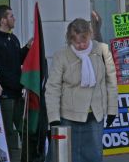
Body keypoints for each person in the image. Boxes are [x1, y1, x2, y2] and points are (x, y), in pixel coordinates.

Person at [45, 18, 118, 162]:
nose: (81, 45)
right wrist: (53, 118)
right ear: (70, 39)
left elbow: (111, 82)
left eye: (84, 41)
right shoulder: (61, 55)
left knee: (94, 156)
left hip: (95, 116)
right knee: (66, 157)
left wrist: (112, 110)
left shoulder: (102, 50)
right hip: (68, 117)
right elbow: (53, 87)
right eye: (77, 42)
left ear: (90, 35)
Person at [0, 5, 32, 161]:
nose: (14, 18)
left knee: (24, 129)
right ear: (3, 20)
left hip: (17, 93)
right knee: (8, 132)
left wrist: (26, 48)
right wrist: (17, 83)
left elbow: (17, 60)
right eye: (11, 16)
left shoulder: (12, 39)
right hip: (6, 96)